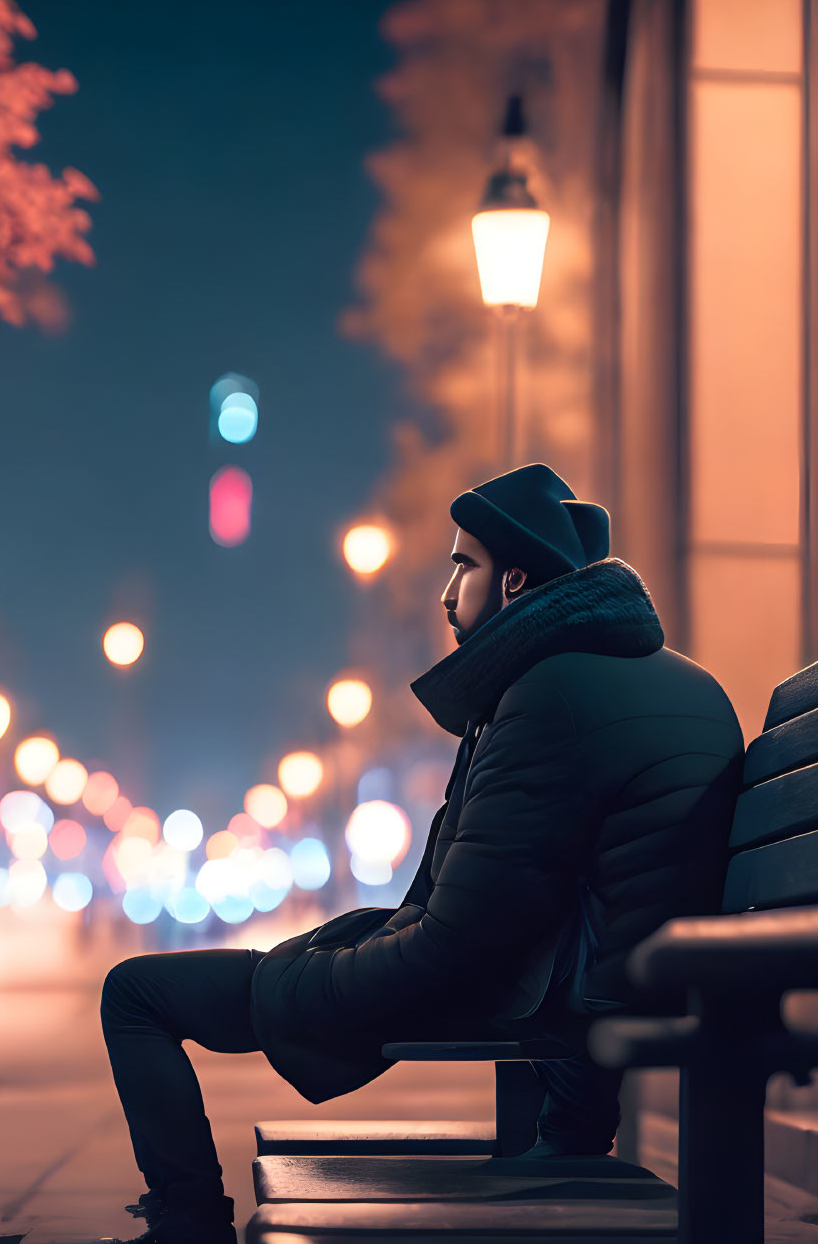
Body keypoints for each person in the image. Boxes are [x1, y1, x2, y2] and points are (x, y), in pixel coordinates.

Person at [96, 464, 744, 1244]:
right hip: (607, 984)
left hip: (547, 993)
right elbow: (585, 890)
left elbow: (463, 940)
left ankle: (189, 1224)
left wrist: (300, 986)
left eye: (462, 564)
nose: (445, 591)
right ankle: (560, 1142)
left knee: (137, 994)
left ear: (512, 580)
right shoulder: (661, 680)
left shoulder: (551, 693)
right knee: (284, 965)